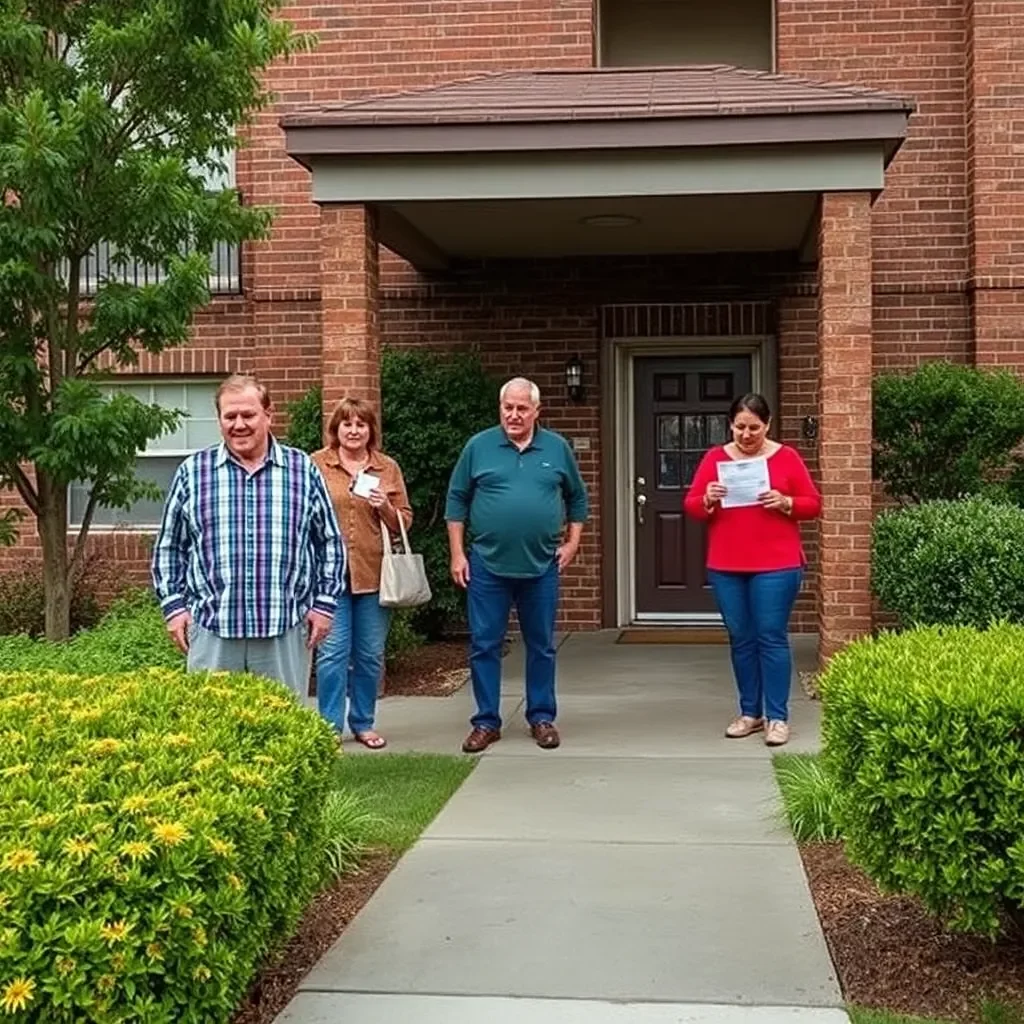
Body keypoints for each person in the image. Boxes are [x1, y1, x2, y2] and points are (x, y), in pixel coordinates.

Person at [151, 374, 346, 697]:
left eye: (248, 415)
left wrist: (324, 605)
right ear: (219, 420)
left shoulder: (302, 470)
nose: (238, 424)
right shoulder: (193, 472)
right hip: (213, 628)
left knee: (284, 730)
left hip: (284, 626)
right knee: (211, 732)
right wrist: (174, 608)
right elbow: (170, 547)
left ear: (269, 415)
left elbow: (329, 543)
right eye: (230, 416)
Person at [446, 377, 589, 753]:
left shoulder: (556, 448)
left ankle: (541, 717)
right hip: (487, 566)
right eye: (507, 407)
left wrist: (573, 542)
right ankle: (486, 722)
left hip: (541, 566)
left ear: (536, 411)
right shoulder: (478, 447)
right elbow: (457, 501)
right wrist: (458, 553)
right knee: (484, 644)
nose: (513, 414)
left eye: (522, 408)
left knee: (541, 645)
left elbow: (577, 499)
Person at [682, 393, 821, 748]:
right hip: (727, 564)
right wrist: (708, 499)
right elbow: (693, 506)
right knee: (741, 638)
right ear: (731, 425)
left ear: (768, 424)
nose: (746, 435)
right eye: (740, 427)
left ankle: (778, 717)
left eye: (754, 428)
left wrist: (786, 501)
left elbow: (813, 503)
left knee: (770, 636)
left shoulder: (786, 457)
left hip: (777, 563)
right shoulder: (715, 458)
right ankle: (750, 713)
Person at [311, 397, 413, 749]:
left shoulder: (387, 468)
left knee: (369, 654)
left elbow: (404, 522)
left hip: (374, 575)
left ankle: (364, 722)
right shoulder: (316, 465)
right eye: (347, 424)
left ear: (371, 430)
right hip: (328, 579)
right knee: (332, 654)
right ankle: (328, 727)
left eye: (361, 424)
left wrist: (385, 507)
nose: (354, 431)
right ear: (335, 430)